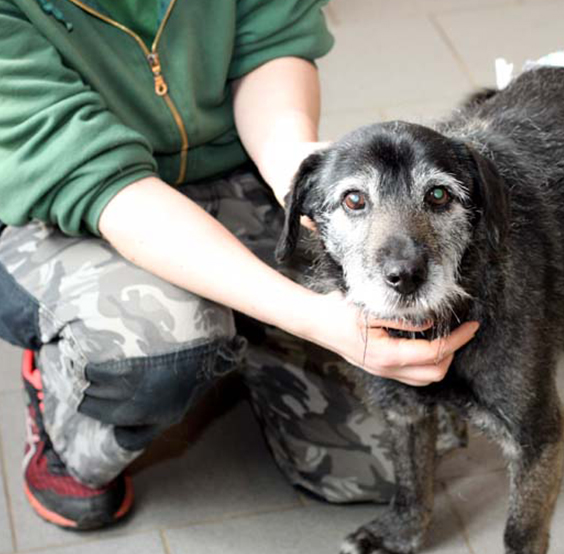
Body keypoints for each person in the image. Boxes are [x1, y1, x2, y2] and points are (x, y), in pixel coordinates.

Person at [0, 0, 478, 530]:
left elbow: (269, 41)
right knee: (158, 354)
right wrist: (309, 317)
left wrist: (290, 169)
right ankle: (64, 404)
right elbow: (104, 185)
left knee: (393, 461)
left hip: (231, 166)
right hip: (71, 205)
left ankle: (241, 340)